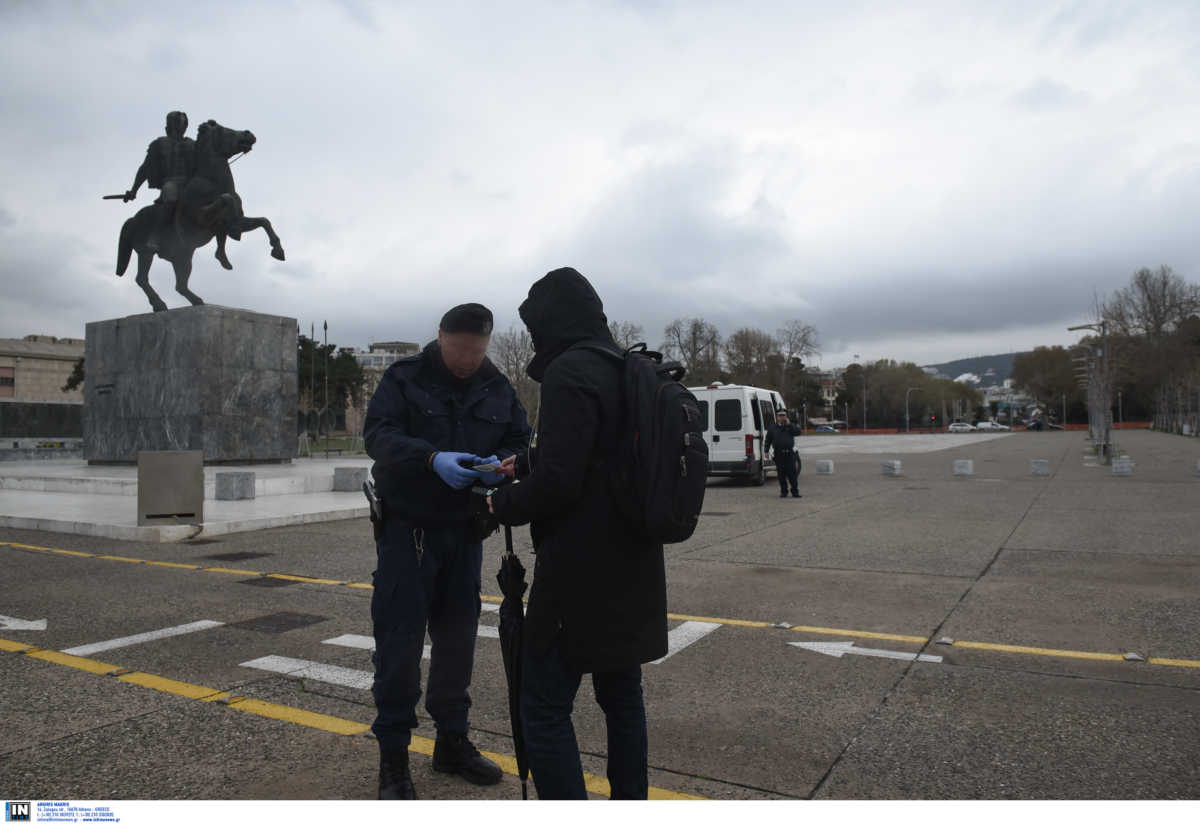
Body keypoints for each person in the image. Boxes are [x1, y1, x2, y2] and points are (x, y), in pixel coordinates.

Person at [488, 267, 667, 800]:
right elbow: (598, 453)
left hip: (577, 572)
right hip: (634, 563)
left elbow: (562, 482)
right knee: (622, 698)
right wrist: (520, 463)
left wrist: (501, 502)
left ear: (553, 321)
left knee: (542, 707)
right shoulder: (627, 368)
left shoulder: (570, 370)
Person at [363, 302, 532, 800]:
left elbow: (521, 439)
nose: (467, 359)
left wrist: (505, 465)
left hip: (464, 532)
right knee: (399, 646)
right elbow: (378, 435)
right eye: (459, 349)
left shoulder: (497, 385)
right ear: (440, 337)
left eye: (477, 351)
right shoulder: (405, 378)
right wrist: (431, 458)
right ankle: (393, 759)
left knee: (457, 645)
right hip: (408, 534)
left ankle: (451, 741)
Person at [124, 111, 195, 252]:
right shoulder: (159, 144)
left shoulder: (193, 145)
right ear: (169, 126)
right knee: (170, 190)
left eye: (182, 124)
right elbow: (145, 169)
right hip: (171, 182)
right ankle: (156, 235)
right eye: (176, 123)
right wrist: (134, 190)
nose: (179, 127)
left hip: (191, 183)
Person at [765, 408, 803, 498]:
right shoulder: (773, 427)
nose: (782, 417)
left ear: (786, 417)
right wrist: (766, 451)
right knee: (781, 474)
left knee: (792, 474)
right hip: (779, 454)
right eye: (780, 415)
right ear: (777, 417)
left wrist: (790, 425)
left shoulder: (790, 426)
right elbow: (768, 440)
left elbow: (798, 432)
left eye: (784, 415)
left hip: (789, 454)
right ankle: (783, 492)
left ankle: (795, 492)